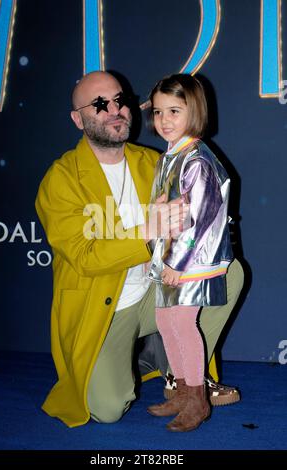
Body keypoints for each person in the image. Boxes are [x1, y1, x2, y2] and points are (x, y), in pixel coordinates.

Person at [35, 71, 243, 428]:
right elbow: (85, 258)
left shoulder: (154, 162)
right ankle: (154, 365)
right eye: (99, 105)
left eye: (120, 100)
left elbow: (198, 221)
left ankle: (186, 382)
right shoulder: (61, 179)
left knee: (229, 273)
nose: (115, 110)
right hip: (105, 308)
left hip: (153, 290)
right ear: (77, 118)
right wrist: (149, 232)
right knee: (107, 407)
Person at [146, 73, 239, 432]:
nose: (164, 120)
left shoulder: (197, 160)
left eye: (174, 111)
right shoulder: (171, 157)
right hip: (170, 258)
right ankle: (182, 391)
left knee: (183, 323)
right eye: (157, 112)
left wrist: (175, 263)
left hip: (191, 260)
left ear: (194, 111)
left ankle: (197, 399)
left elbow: (198, 220)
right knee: (165, 322)